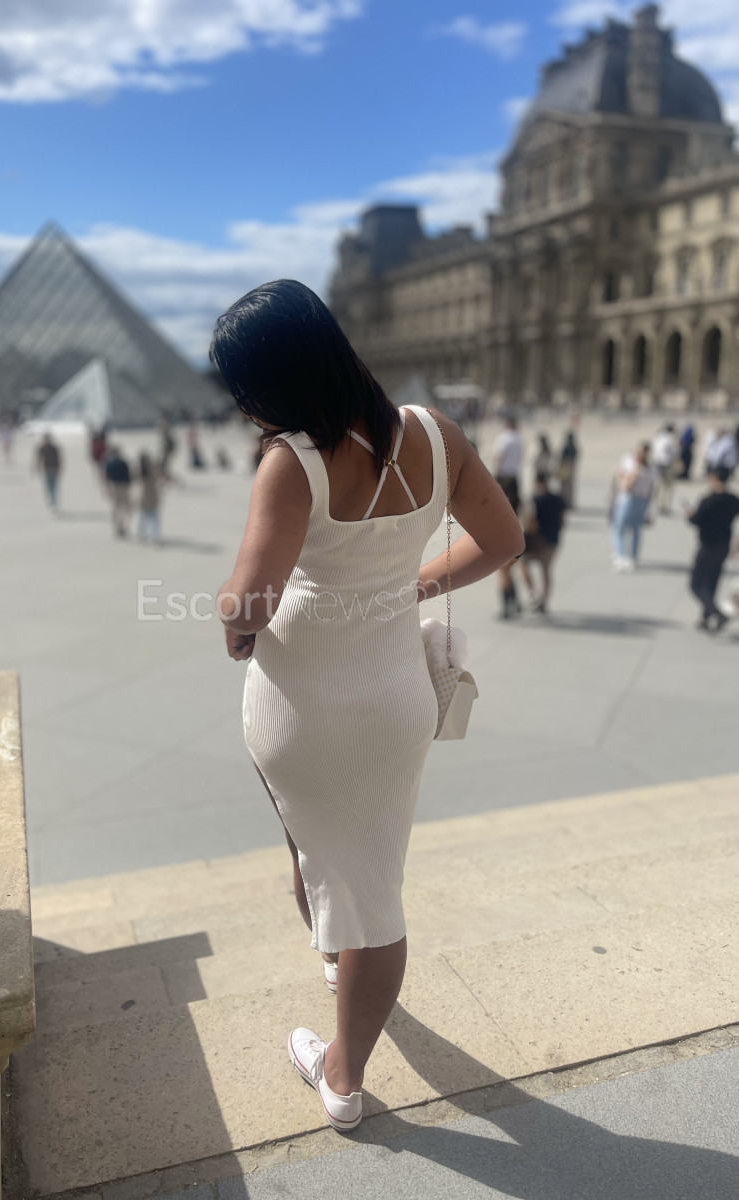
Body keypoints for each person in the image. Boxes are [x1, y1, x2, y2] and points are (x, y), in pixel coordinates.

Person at [210, 279, 523, 1132]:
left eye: (243, 390)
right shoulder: (435, 433)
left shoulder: (292, 461)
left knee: (338, 868)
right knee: (366, 865)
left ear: (271, 383)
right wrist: (408, 585)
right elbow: (502, 540)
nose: (243, 409)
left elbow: (249, 602)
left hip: (303, 701)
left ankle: (342, 1079)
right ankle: (338, 960)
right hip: (394, 697)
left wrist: (231, 620)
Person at [684, 466, 739, 632]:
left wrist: (689, 514)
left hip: (708, 544)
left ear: (714, 478)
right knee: (712, 581)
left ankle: (716, 613)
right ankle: (706, 617)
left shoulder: (709, 500)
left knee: (696, 584)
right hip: (723, 544)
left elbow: (696, 520)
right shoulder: (733, 499)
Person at [518, 472, 566, 614]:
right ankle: (544, 601)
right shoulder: (557, 499)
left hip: (536, 541)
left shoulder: (533, 500)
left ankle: (532, 593)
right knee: (546, 570)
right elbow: (562, 521)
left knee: (523, 564)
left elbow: (531, 523)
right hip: (552, 541)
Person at [491, 414, 524, 619]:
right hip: (514, 478)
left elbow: (499, 457)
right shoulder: (520, 439)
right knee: (508, 571)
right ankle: (515, 603)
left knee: (503, 572)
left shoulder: (504, 439)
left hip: (504, 477)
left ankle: (508, 606)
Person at [611, 442, 656, 571]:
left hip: (630, 499)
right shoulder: (648, 468)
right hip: (642, 500)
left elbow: (625, 486)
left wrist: (623, 476)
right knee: (635, 529)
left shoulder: (639, 468)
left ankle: (621, 555)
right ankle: (632, 556)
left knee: (620, 528)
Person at [104, 445, 132, 537]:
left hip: (114, 486)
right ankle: (122, 526)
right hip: (123, 487)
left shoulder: (109, 463)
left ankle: (118, 526)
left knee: (117, 507)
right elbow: (129, 476)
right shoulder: (123, 462)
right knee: (125, 508)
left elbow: (107, 477)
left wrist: (107, 488)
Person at [650, 423, 678, 515]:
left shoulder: (658, 437)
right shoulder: (671, 438)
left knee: (658, 486)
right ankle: (664, 506)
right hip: (667, 464)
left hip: (657, 463)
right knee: (668, 487)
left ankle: (656, 504)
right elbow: (674, 452)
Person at [137, 452, 162, 544]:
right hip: (151, 495)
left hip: (144, 495)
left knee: (143, 516)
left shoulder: (140, 471)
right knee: (153, 517)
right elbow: (159, 476)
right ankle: (153, 536)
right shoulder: (151, 471)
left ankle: (142, 534)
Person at [35, 432, 62, 512]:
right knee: (48, 487)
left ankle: (54, 503)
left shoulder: (54, 448)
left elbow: (59, 459)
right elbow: (39, 459)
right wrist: (38, 467)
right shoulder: (42, 448)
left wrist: (59, 469)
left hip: (54, 469)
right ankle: (51, 503)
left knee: (54, 487)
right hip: (46, 469)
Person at [558, 430, 579, 509]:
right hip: (569, 469)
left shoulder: (568, 447)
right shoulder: (573, 447)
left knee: (565, 487)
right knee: (568, 487)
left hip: (565, 469)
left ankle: (566, 502)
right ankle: (567, 502)